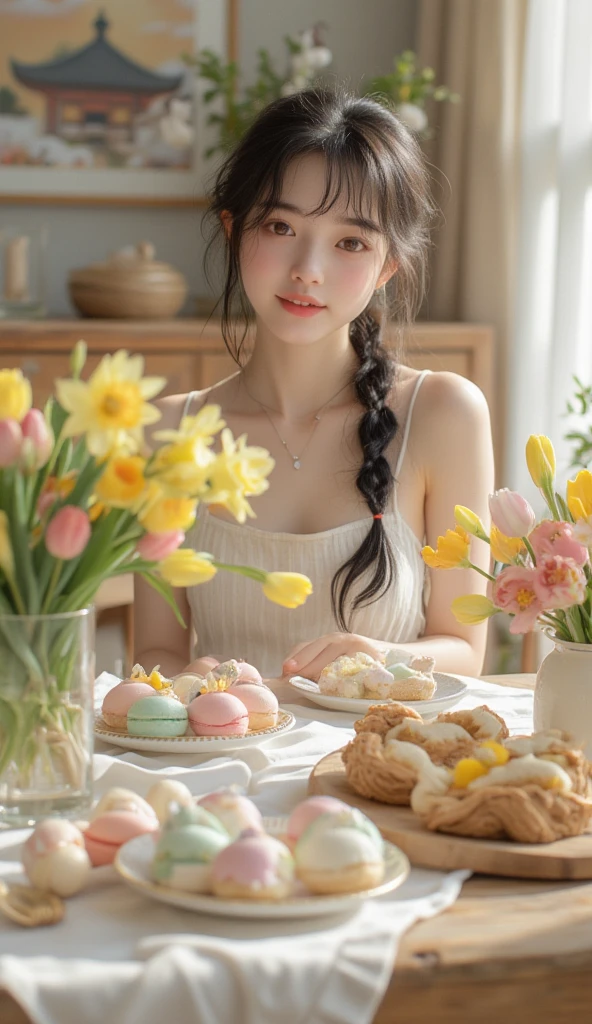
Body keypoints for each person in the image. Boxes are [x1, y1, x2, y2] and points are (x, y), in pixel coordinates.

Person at [134, 86, 494, 684]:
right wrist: (191, 680)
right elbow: (154, 650)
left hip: (383, 765)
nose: (308, 268)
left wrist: (383, 659)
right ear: (233, 229)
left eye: (349, 242)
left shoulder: (444, 413)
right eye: (280, 226)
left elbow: (463, 646)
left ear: (387, 265)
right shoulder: (168, 433)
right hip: (224, 763)